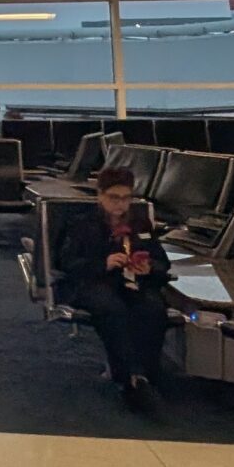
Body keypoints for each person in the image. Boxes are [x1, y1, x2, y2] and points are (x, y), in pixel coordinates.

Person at [52, 166, 172, 410]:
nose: (120, 204)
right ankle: (128, 377)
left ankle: (147, 372)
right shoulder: (81, 224)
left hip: (132, 282)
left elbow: (162, 261)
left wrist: (149, 268)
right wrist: (103, 263)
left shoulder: (140, 223)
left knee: (153, 308)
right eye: (114, 198)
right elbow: (67, 262)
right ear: (100, 196)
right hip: (92, 282)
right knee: (112, 309)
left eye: (126, 198)